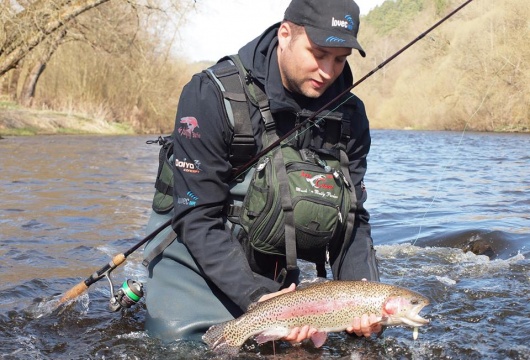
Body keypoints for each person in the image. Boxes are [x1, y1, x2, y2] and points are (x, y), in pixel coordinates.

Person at [143, 0, 381, 346]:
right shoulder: (210, 95)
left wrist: (366, 302)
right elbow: (196, 217)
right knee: (183, 350)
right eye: (318, 54)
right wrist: (256, 296)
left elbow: (353, 220)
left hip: (277, 269)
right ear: (285, 34)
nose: (328, 71)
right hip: (195, 255)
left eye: (340, 58)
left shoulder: (351, 115)